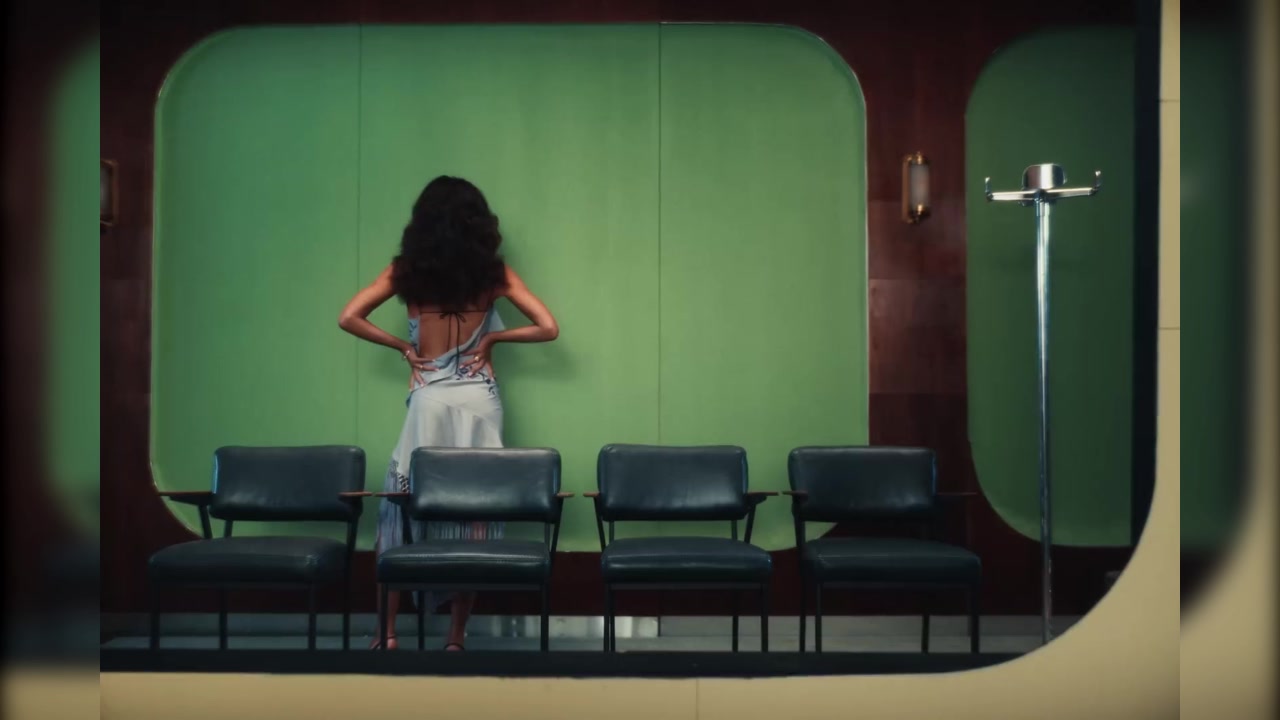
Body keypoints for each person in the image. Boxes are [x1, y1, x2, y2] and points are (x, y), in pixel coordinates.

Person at [339, 176, 559, 650]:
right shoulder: (493, 275)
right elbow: (548, 327)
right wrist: (494, 337)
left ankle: (386, 633)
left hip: (429, 396)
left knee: (401, 505)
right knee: (475, 513)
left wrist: (404, 347)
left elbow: (348, 316)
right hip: (480, 398)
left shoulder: (407, 271)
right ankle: (456, 637)